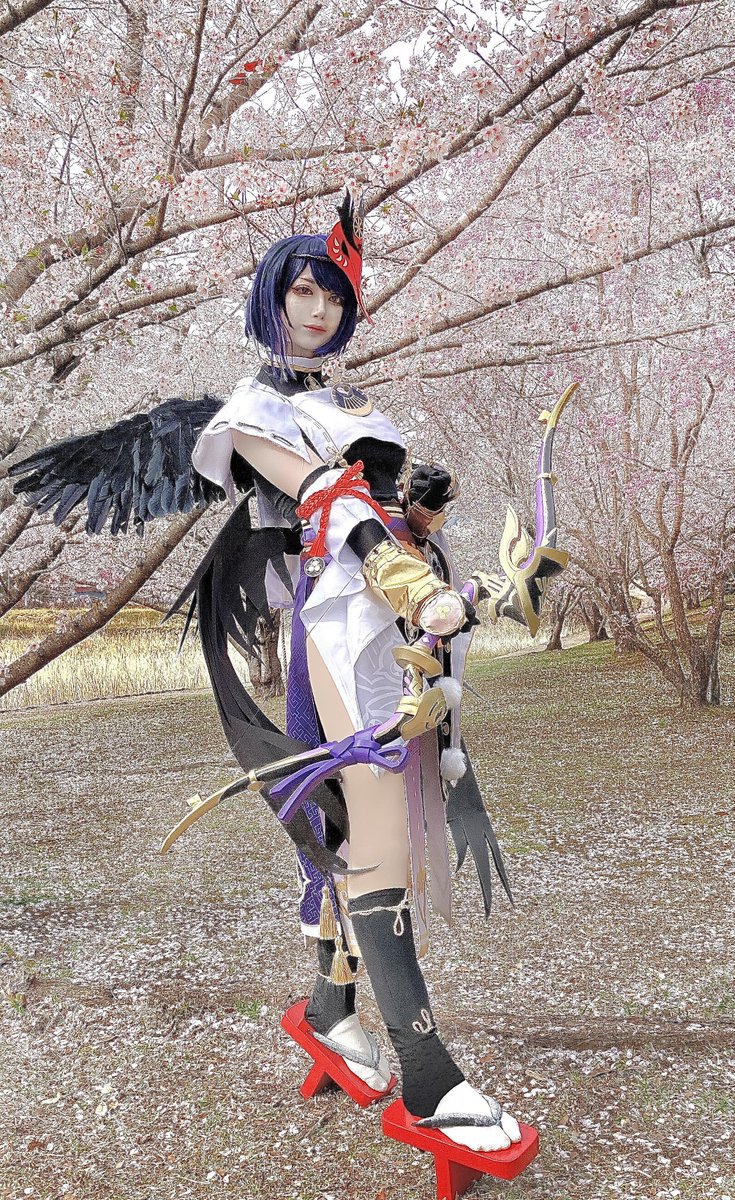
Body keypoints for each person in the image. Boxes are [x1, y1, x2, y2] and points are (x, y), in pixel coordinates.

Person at [10, 191, 567, 1154]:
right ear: (270, 296)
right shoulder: (251, 411)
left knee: (363, 821)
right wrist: (401, 572)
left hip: (398, 618)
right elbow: (323, 500)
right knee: (378, 829)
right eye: (302, 291)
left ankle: (328, 1010)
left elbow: (372, 509)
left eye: (333, 295)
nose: (317, 309)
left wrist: (420, 524)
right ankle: (427, 1078)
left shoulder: (350, 404)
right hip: (343, 622)